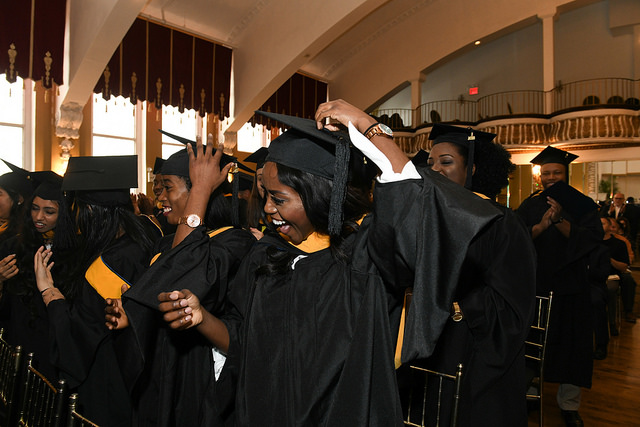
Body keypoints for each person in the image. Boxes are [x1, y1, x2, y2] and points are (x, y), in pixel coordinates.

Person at [157, 100, 501, 426]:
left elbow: (413, 208)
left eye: (279, 199)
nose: (267, 210)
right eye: (266, 196)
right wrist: (201, 317)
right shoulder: (267, 256)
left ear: (319, 194)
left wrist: (369, 129)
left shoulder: (365, 257)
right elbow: (243, 342)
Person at [104, 143, 256, 426]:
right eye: (158, 188)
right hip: (160, 374)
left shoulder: (235, 241)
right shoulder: (164, 242)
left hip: (198, 378)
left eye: (168, 187)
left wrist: (200, 188)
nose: (160, 198)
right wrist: (133, 316)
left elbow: (185, 277)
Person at [417, 124, 536, 426]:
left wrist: (457, 304)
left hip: (473, 347)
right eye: (430, 163)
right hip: (428, 342)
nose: (435, 169)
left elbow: (512, 304)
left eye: (446, 162)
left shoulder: (500, 222)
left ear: (472, 168)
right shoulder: (428, 217)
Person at [34, 155, 161, 427]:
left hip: (107, 388)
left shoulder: (107, 266)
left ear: (92, 211)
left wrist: (49, 292)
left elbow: (75, 346)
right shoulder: (146, 238)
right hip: (144, 386)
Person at [516, 146, 603, 427]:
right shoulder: (530, 205)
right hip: (537, 285)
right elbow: (516, 240)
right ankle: (530, 395)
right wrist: (542, 225)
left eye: (557, 173)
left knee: (572, 347)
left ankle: (569, 405)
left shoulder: (583, 205)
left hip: (571, 287)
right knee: (533, 345)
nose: (551, 177)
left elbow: (591, 242)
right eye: (546, 173)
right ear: (539, 177)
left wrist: (560, 220)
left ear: (566, 174)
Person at [0, 171, 76, 380]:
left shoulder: (75, 253)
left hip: (52, 348)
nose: (39, 217)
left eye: (49, 211)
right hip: (18, 343)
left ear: (63, 214)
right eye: (34, 208)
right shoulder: (13, 247)